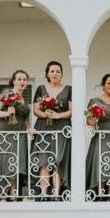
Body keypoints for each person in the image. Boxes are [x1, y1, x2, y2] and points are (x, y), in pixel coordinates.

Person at [0, 68, 33, 200]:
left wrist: (30, 128)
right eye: (19, 79)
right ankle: (3, 195)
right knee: (5, 162)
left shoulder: (24, 100)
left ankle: (13, 194)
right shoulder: (7, 93)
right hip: (5, 132)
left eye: (24, 79)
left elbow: (25, 118)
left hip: (20, 134)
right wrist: (7, 113)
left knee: (17, 163)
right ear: (13, 81)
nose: (22, 81)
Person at [30, 61, 72, 200]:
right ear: (47, 74)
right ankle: (43, 193)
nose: (55, 73)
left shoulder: (69, 89)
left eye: (58, 71)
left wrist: (58, 115)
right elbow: (35, 110)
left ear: (61, 74)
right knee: (44, 160)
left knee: (58, 160)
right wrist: (45, 114)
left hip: (62, 128)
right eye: (52, 71)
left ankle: (56, 194)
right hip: (44, 127)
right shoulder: (41, 89)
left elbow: (72, 111)